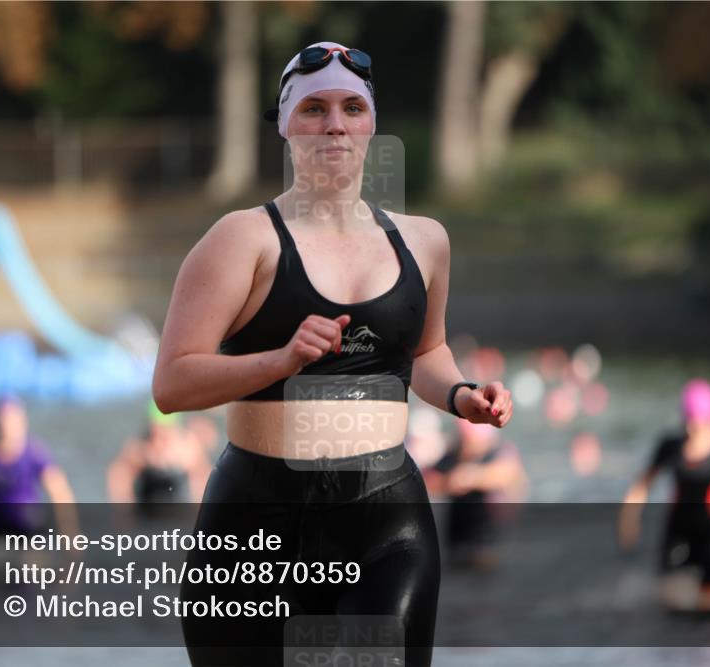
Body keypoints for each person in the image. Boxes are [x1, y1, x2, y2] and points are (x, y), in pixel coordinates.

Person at [152, 42, 513, 667]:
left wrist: (461, 395)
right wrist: (280, 361)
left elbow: (426, 351)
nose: (335, 125)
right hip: (254, 523)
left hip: (385, 519)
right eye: (314, 109)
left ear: (372, 121)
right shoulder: (241, 239)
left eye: (352, 107)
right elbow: (172, 385)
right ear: (286, 124)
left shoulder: (425, 241)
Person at [619, 379, 710, 611]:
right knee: (668, 598)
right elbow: (643, 483)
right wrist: (629, 517)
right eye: (689, 421)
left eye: (699, 423)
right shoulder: (671, 447)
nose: (693, 429)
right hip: (679, 527)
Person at [0, 396, 78, 537]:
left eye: (10, 420)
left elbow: (60, 493)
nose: (6, 426)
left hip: (31, 529)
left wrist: (70, 532)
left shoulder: (35, 453)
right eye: (2, 420)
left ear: (22, 422)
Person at [428, 420, 527, 570]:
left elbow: (508, 473)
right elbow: (429, 479)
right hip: (458, 543)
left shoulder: (497, 452)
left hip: (490, 543)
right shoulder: (455, 454)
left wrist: (473, 477)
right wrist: (448, 482)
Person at [107, 398, 212, 504]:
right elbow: (119, 476)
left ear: (175, 427)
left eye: (166, 431)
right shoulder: (141, 449)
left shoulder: (188, 447)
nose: (162, 438)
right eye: (158, 432)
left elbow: (203, 480)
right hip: (148, 513)